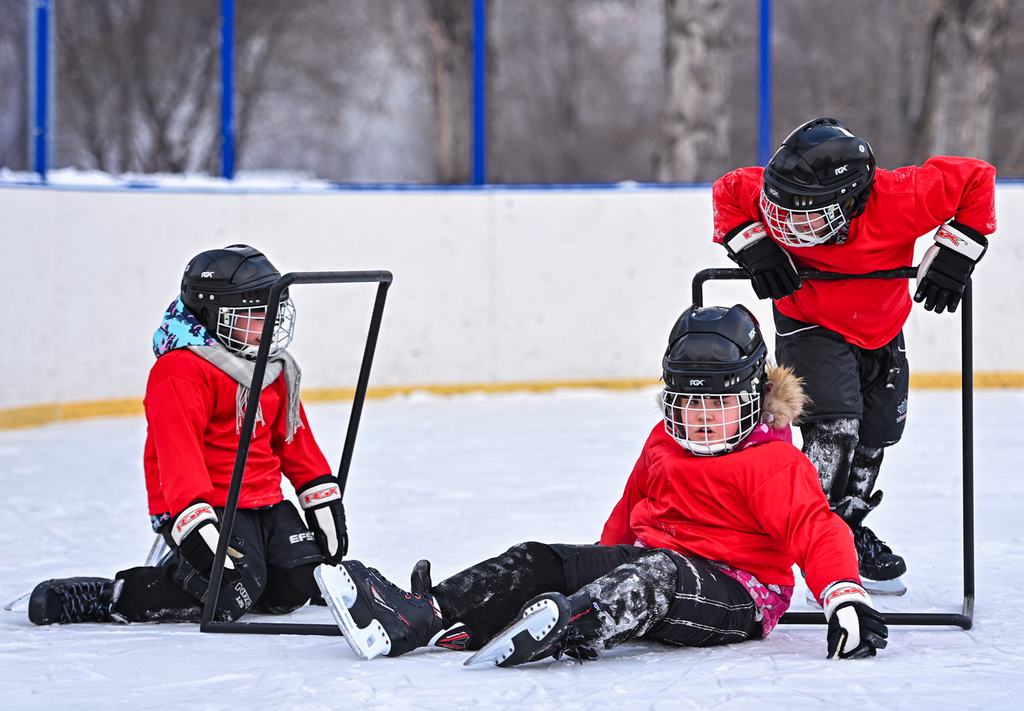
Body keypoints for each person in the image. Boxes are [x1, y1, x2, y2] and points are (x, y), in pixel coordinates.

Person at [312, 304, 888, 666]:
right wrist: (588, 562)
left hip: (739, 594)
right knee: (540, 557)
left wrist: (845, 597)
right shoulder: (663, 443)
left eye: (719, 405)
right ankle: (423, 613)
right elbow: (630, 509)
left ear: (754, 402)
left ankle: (568, 624)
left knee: (654, 575)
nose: (702, 419)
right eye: (688, 404)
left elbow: (816, 529)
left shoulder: (773, 465)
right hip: (652, 563)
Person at [713, 117, 997, 593]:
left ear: (852, 201)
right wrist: (753, 245)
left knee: (877, 433)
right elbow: (728, 191)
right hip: (809, 320)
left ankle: (847, 525)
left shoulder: (904, 196)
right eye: (778, 212)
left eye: (804, 216)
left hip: (882, 328)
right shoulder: (768, 190)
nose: (786, 227)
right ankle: (807, 536)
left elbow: (975, 177)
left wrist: (958, 248)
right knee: (835, 427)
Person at [27, 244, 348, 625]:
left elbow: (295, 441)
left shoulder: (271, 367)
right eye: (256, 314)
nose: (272, 323)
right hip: (205, 502)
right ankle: (112, 596)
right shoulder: (181, 369)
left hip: (262, 497)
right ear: (215, 315)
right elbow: (179, 456)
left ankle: (240, 579)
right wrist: (194, 524)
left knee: (299, 581)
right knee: (226, 592)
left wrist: (321, 498)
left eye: (274, 311)